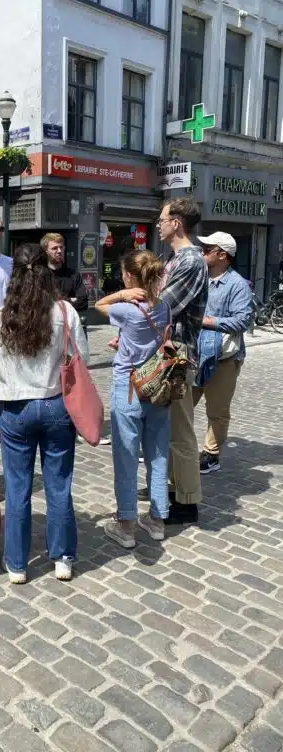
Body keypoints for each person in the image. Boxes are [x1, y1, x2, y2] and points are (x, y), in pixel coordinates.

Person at [0, 243, 89, 584]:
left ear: (13, 273)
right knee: (58, 485)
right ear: (47, 272)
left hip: (15, 407)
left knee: (17, 489)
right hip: (55, 403)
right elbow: (81, 358)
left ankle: (17, 563)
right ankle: (62, 558)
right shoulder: (64, 311)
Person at [95, 251, 171, 548]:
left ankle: (126, 524)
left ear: (128, 276)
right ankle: (157, 519)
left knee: (126, 457)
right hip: (158, 385)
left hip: (129, 386)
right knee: (158, 454)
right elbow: (153, 340)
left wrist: (121, 294)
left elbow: (99, 305)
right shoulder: (164, 306)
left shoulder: (127, 308)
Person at [158, 197, 208, 524]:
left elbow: (163, 306)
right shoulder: (175, 259)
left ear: (176, 223)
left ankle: (187, 501)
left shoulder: (190, 261)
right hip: (169, 353)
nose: (158, 224)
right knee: (169, 428)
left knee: (180, 430)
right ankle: (173, 489)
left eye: (162, 219)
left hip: (178, 356)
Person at [193, 232, 252, 475]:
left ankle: (211, 454)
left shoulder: (237, 284)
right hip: (194, 352)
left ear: (222, 255)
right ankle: (171, 445)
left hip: (223, 358)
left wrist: (208, 321)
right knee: (181, 403)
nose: (202, 252)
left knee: (217, 410)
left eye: (208, 249)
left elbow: (242, 321)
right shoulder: (199, 277)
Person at [41, 232, 89, 332]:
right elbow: (39, 304)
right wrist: (70, 300)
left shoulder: (73, 275)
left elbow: (83, 302)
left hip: (70, 329)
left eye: (61, 247)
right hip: (45, 329)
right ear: (46, 251)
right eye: (54, 248)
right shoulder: (40, 275)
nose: (59, 251)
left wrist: (54, 301)